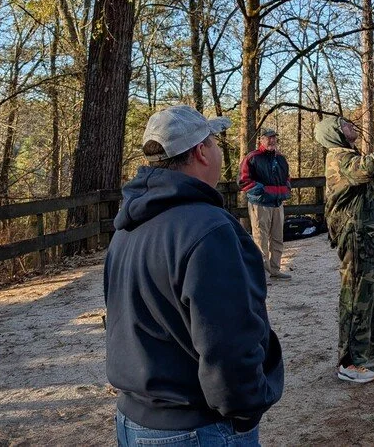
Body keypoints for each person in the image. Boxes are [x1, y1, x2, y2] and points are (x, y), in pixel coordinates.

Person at [105, 105, 284, 445]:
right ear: (201, 152)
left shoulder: (127, 227)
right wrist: (246, 411)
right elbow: (227, 340)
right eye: (214, 142)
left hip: (133, 420)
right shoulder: (209, 230)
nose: (219, 151)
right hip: (196, 426)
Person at [314, 111, 374, 384]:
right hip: (356, 238)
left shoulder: (349, 155)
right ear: (334, 133)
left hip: (371, 238)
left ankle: (369, 351)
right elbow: (370, 167)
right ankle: (350, 362)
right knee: (357, 298)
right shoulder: (340, 158)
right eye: (344, 124)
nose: (351, 125)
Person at [240, 127, 292, 279]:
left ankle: (275, 270)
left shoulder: (281, 158)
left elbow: (287, 177)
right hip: (260, 203)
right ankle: (260, 273)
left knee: (277, 237)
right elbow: (243, 181)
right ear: (261, 140)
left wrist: (286, 189)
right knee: (260, 239)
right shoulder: (252, 157)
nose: (272, 140)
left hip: (278, 203)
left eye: (274, 137)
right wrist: (262, 190)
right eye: (268, 137)